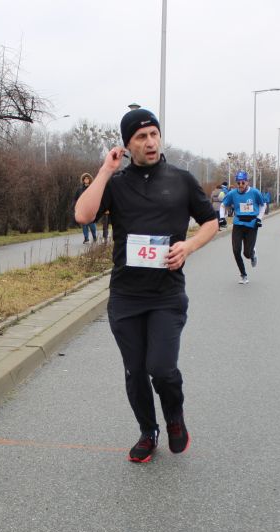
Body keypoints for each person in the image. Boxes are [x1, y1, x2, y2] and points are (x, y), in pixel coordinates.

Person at [74, 108, 218, 463]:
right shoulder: (117, 183)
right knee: (135, 371)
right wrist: (106, 170)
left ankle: (174, 416)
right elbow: (83, 215)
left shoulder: (181, 180)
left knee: (162, 368)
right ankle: (147, 431)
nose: (150, 142)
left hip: (166, 294)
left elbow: (211, 222)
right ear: (128, 145)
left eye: (154, 134)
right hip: (126, 296)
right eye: (141, 137)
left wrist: (188, 246)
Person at [220, 170, 266, 284]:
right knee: (236, 251)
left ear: (247, 182)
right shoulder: (232, 194)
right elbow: (223, 205)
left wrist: (259, 218)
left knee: (247, 254)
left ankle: (252, 253)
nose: (240, 185)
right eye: (238, 183)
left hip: (252, 224)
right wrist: (222, 218)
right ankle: (243, 275)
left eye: (243, 182)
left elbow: (263, 205)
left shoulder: (255, 192)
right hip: (238, 224)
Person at [74, 173, 98, 243]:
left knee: (92, 225)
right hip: (82, 209)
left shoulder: (93, 188)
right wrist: (75, 206)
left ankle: (94, 237)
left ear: (90, 180)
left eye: (87, 179)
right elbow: (75, 198)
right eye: (85, 179)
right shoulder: (80, 189)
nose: (86, 180)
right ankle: (86, 238)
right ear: (83, 180)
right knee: (84, 224)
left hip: (91, 209)